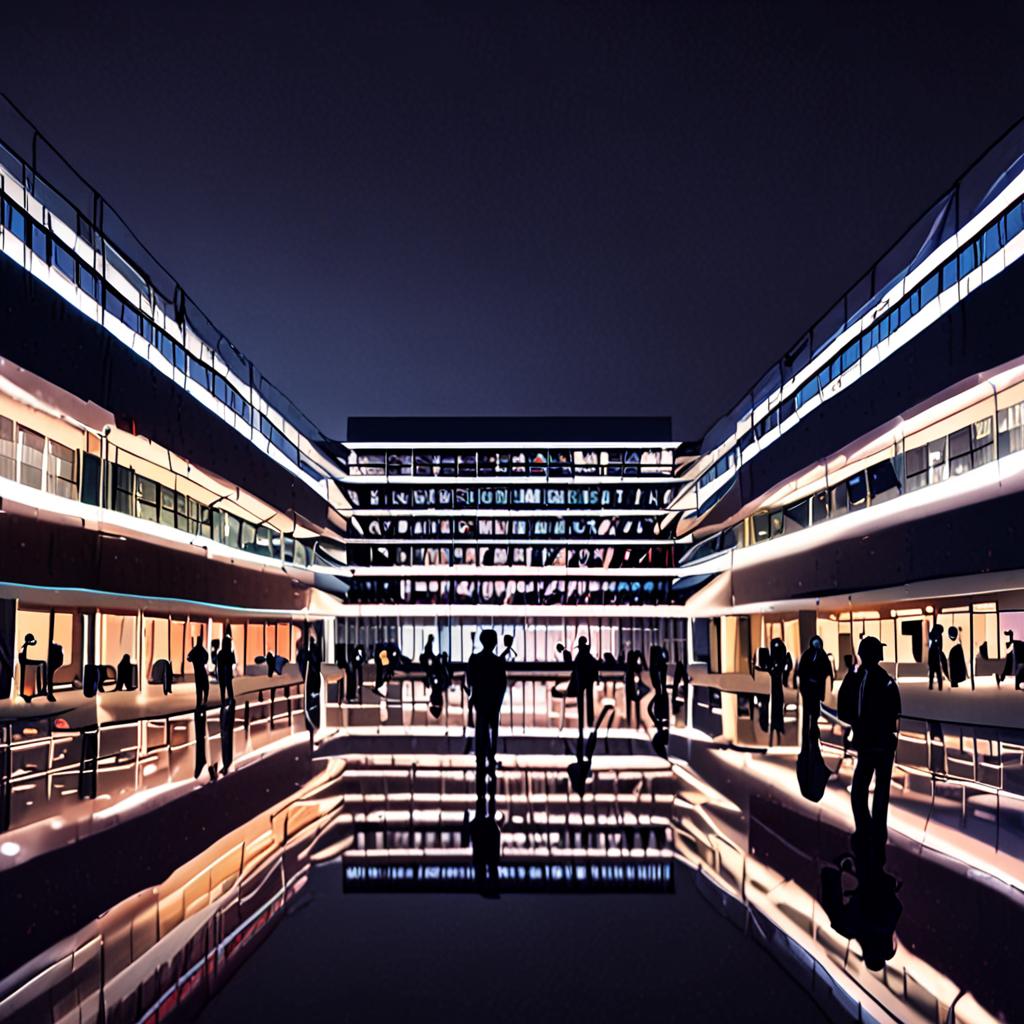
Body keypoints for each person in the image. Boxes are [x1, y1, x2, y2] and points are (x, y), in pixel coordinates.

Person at [840, 636, 901, 862]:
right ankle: (876, 832)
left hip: (867, 740)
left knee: (861, 784)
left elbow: (844, 708)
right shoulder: (884, 680)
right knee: (881, 786)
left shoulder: (856, 678)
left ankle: (866, 829)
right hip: (882, 741)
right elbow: (895, 709)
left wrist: (855, 726)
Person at [465, 630, 508, 771]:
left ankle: (480, 756)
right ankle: (491, 755)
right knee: (493, 728)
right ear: (494, 643)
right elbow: (502, 684)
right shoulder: (498, 662)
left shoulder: (474, 659)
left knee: (481, 727)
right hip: (493, 700)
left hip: (480, 699)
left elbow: (470, 681)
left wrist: (474, 699)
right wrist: (498, 702)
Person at [795, 635, 832, 744]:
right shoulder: (807, 655)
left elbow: (827, 671)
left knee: (815, 710)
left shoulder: (823, 656)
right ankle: (806, 731)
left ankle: (814, 730)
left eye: (818, 644)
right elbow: (801, 671)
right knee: (807, 711)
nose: (817, 646)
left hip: (817, 689)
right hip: (808, 689)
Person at [765, 637, 792, 745]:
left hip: (776, 684)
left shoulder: (781, 657)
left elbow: (786, 666)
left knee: (777, 704)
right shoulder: (774, 657)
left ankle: (777, 726)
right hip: (774, 685)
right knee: (776, 704)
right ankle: (776, 727)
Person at [571, 637, 601, 729]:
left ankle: (582, 722)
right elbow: (595, 664)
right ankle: (590, 721)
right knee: (589, 699)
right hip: (588, 679)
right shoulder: (588, 655)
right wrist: (597, 678)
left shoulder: (579, 656)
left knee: (581, 700)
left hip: (581, 680)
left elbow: (575, 667)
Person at [624, 649, 647, 728]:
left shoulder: (628, 666)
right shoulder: (637, 667)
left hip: (629, 687)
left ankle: (629, 721)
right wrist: (642, 657)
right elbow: (645, 667)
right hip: (636, 687)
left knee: (629, 705)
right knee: (637, 705)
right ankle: (637, 721)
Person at [186, 636, 209, 709]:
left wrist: (193, 660)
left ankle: (199, 703)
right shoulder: (201, 650)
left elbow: (188, 658)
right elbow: (206, 658)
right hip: (201, 670)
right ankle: (203, 701)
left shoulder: (195, 650)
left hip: (198, 671)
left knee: (199, 688)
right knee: (205, 687)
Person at [216, 630, 236, 703]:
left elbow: (218, 664)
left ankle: (223, 701)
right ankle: (230, 699)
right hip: (227, 674)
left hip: (222, 674)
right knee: (229, 687)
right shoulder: (230, 653)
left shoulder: (220, 653)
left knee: (222, 689)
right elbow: (232, 662)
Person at [927, 624, 947, 691]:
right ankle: (938, 686)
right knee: (937, 673)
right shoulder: (938, 636)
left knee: (934, 673)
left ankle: (933, 686)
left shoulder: (936, 636)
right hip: (935, 657)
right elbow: (940, 647)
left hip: (934, 656)